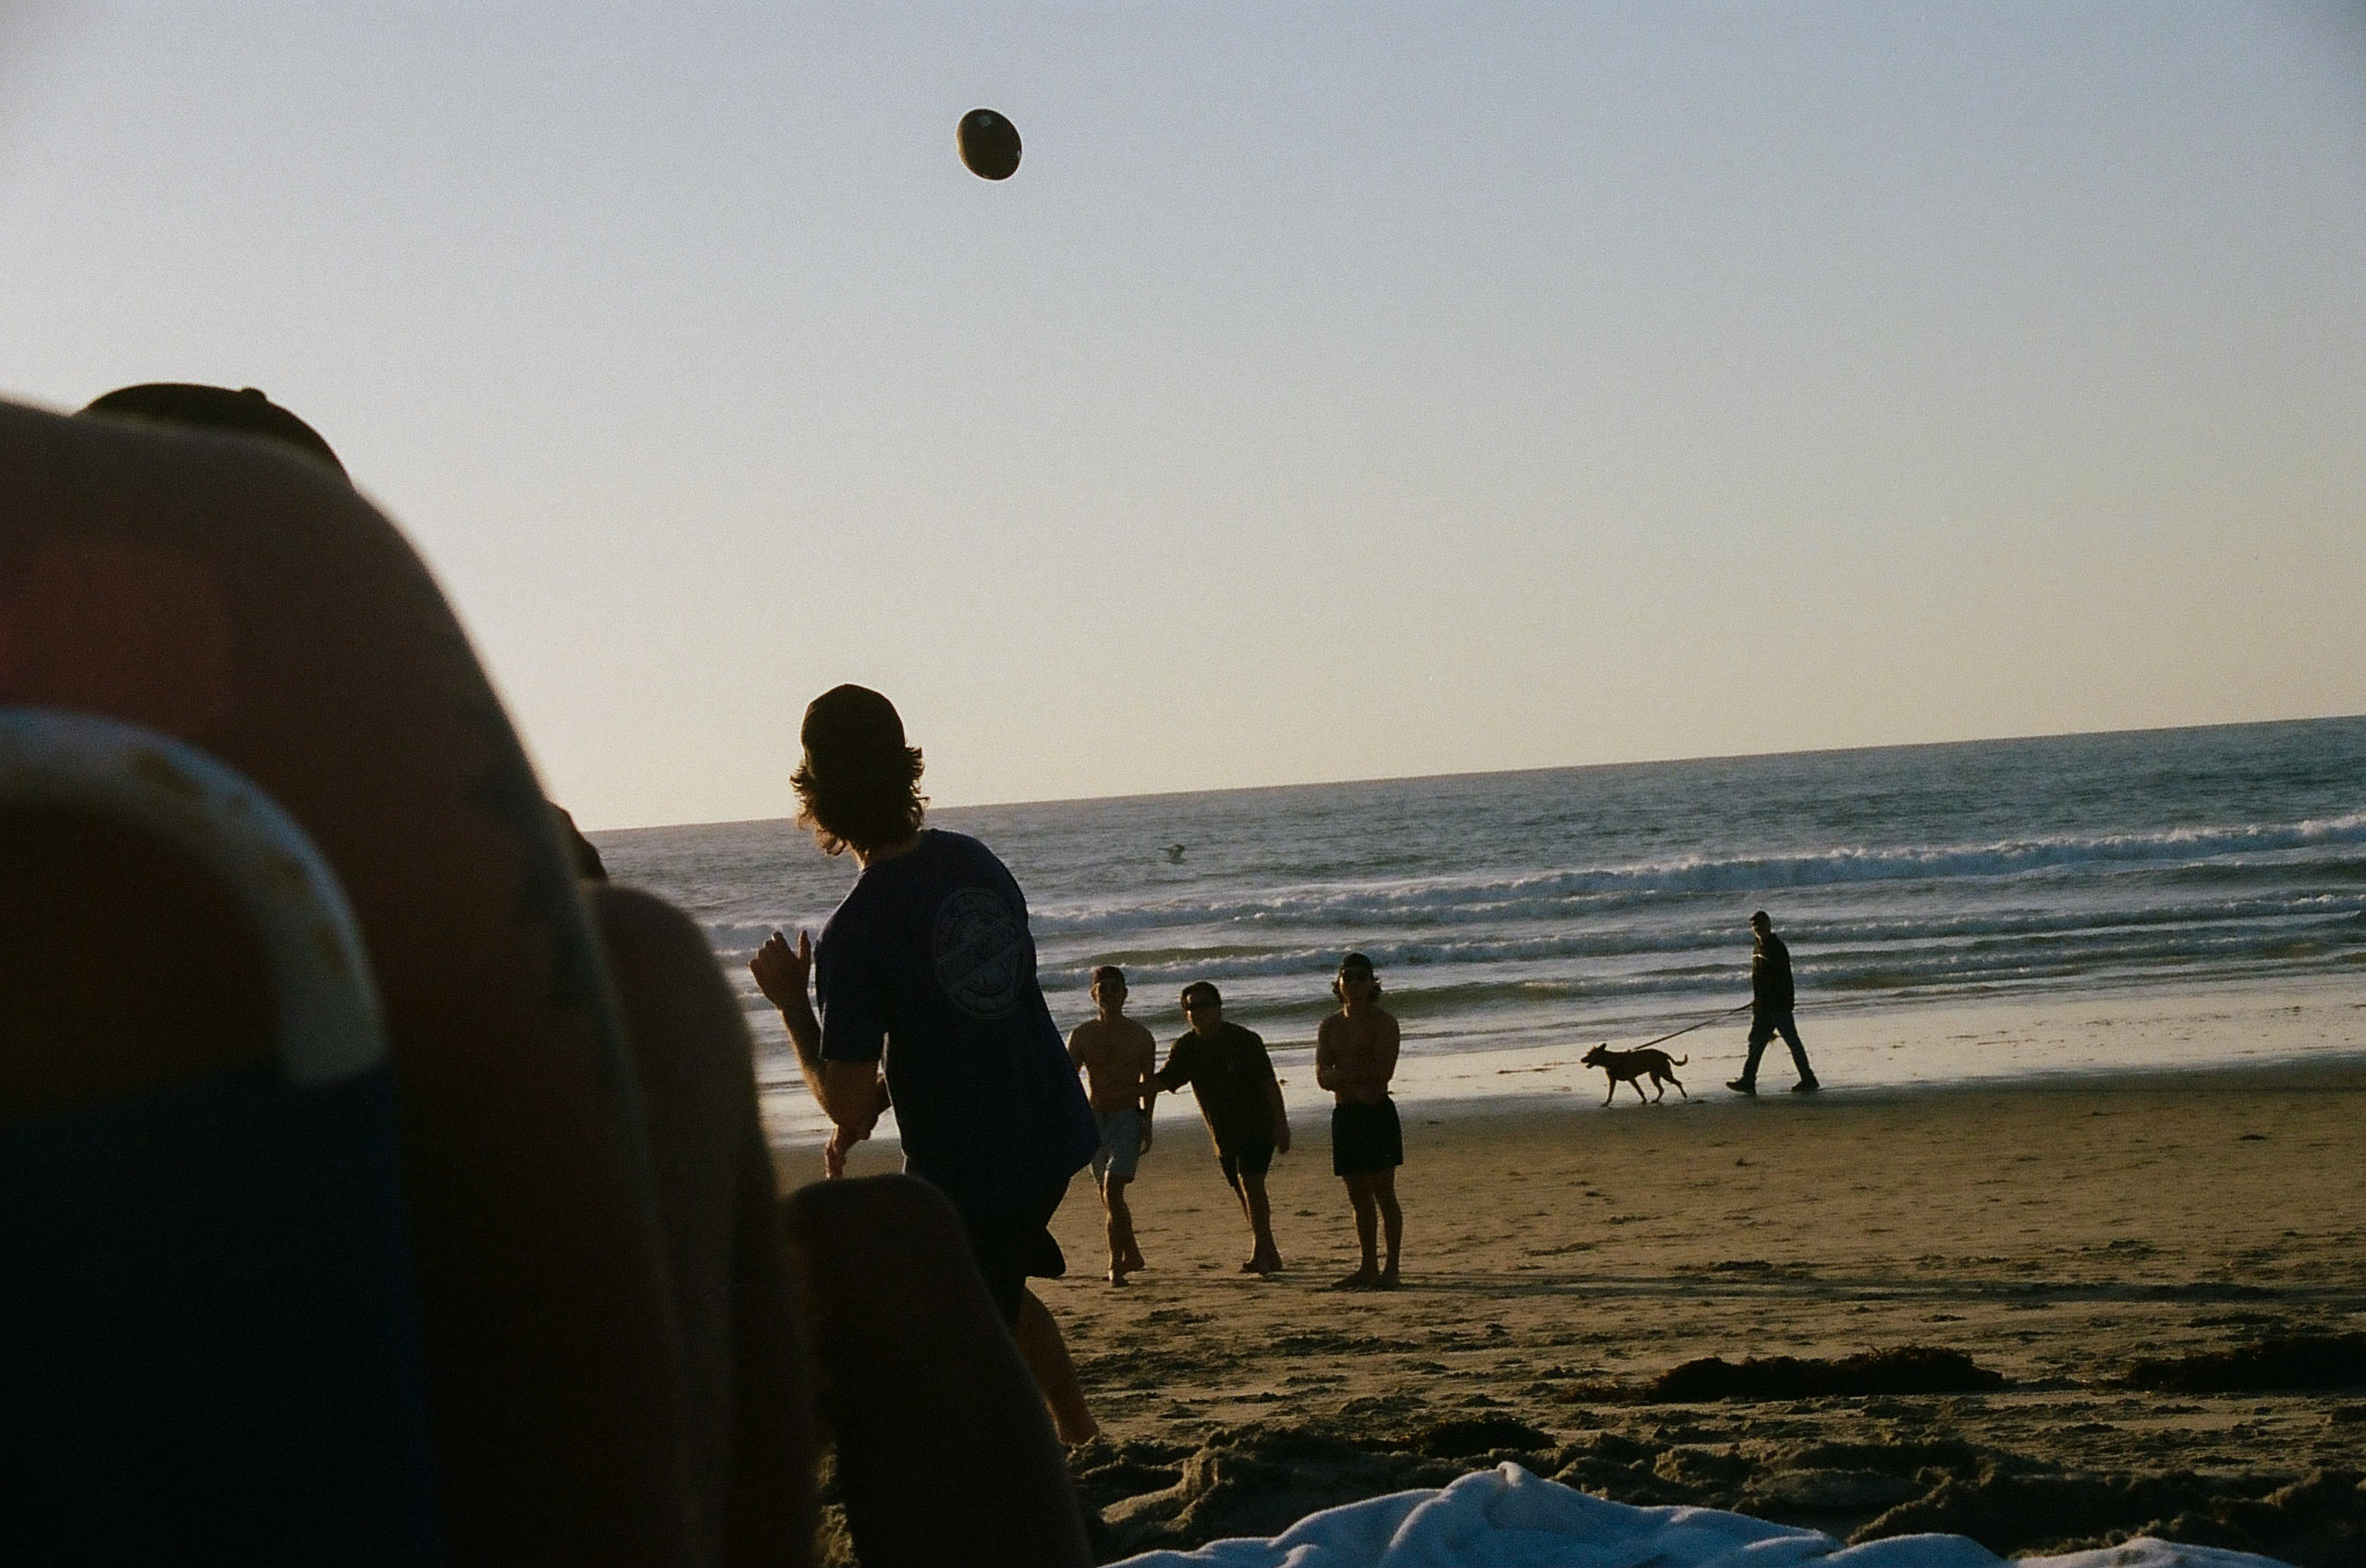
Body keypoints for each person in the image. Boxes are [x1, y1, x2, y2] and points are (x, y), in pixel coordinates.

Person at [749, 685, 1104, 1445]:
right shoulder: (975, 862)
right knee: (990, 1291)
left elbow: (842, 1102)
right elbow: (970, 1014)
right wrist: (879, 1096)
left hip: (978, 1160)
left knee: (951, 1314)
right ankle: (1081, 1436)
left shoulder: (859, 927)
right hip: (1050, 1123)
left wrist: (790, 1005)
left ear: (816, 797)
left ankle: (1034, 1457)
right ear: (906, 769)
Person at [1151, 980, 1289, 1274]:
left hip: (1257, 1124)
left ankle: (1262, 1254)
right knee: (1243, 1191)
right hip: (1223, 1134)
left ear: (1218, 1007)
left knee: (1251, 1182)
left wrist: (1282, 1124)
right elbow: (1163, 1081)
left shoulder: (1245, 1040)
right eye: (1191, 1007)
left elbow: (1270, 1085)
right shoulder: (1187, 1047)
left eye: (1204, 1005)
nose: (1197, 1012)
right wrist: (1119, 1090)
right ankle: (1269, 1251)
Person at [1314, 952, 1404, 1289]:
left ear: (1372, 983)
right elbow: (1323, 1077)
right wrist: (1354, 1078)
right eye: (1347, 977)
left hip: (1376, 1113)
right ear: (1338, 983)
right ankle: (1367, 1266)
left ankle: (1391, 1268)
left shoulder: (1384, 1022)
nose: (1353, 983)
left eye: (1360, 977)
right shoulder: (1331, 1025)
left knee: (1384, 1192)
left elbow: (1382, 1073)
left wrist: (1344, 1074)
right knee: (1357, 1195)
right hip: (1347, 1113)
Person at [1067, 965, 1158, 1285]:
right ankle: (1130, 1253)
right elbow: (1067, 1080)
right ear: (1094, 995)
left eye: (1114, 988)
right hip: (1094, 1119)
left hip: (1127, 1118)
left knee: (1113, 1189)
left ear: (1125, 994)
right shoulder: (1082, 1035)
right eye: (1102, 988)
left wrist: (1147, 1122)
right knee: (1108, 1197)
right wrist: (1073, 1119)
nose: (1108, 993)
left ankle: (1115, 1264)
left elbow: (1149, 1083)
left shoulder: (1141, 1036)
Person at [1727, 910, 1821, 1096]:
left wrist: (1784, 1003)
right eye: (1755, 925)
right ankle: (1748, 1080)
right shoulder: (1757, 947)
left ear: (1769, 925)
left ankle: (1808, 1079)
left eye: (1761, 924)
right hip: (1763, 1007)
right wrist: (1757, 999)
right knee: (1756, 1042)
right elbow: (1758, 978)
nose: (1758, 928)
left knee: (1792, 1042)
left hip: (1778, 1006)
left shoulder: (1776, 947)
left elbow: (1784, 979)